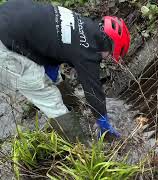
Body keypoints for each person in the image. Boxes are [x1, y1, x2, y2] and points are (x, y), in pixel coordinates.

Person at [0, 0, 130, 142]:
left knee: (55, 80)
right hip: (4, 49)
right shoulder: (88, 52)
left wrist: (51, 73)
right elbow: (93, 92)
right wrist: (104, 125)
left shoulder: (83, 24)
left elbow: (55, 43)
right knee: (50, 98)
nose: (107, 58)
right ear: (109, 46)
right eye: (110, 55)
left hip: (9, 16)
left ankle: (75, 113)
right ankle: (82, 150)